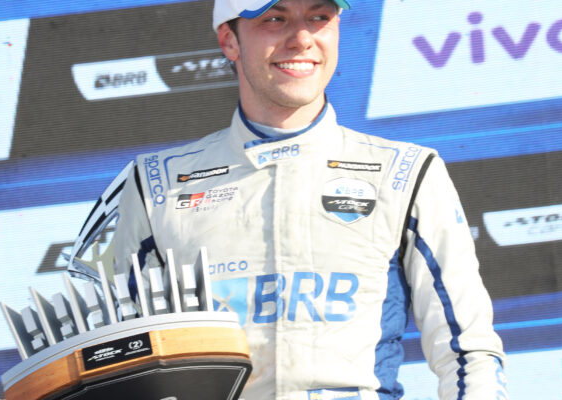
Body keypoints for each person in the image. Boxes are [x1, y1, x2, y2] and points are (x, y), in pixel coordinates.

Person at [112, 0, 508, 398]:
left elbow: (469, 351)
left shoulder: (405, 172)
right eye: (274, 19)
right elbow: (109, 358)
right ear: (229, 41)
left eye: (319, 17)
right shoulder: (156, 183)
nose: (302, 38)